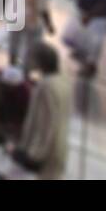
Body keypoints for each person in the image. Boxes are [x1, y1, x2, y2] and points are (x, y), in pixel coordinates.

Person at [10, 43, 72, 179]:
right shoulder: (63, 80)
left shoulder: (46, 88)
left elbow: (47, 126)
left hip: (47, 153)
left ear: (40, 62)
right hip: (59, 148)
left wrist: (32, 155)